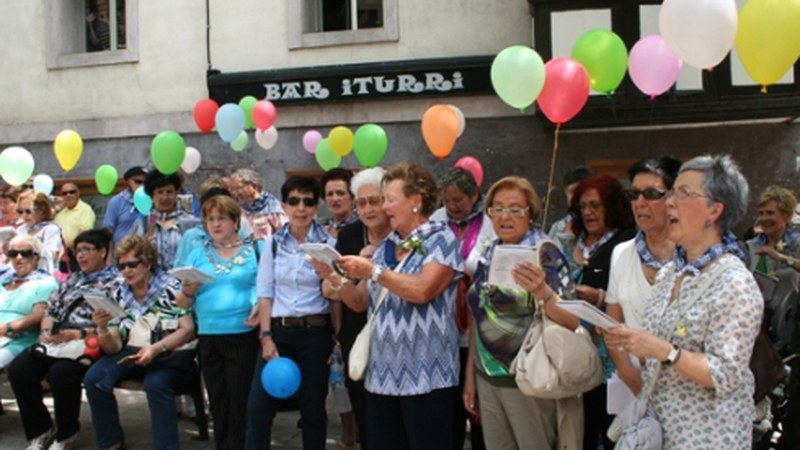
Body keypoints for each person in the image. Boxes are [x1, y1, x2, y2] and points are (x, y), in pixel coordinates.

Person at [605, 155, 762, 449]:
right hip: (662, 434)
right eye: (673, 191)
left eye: (683, 193)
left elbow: (725, 373)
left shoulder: (734, 283)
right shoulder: (670, 273)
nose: (670, 202)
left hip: (708, 437)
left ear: (714, 210)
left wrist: (663, 351)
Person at [336, 162, 463, 450]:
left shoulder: (441, 239)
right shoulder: (386, 246)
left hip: (425, 376)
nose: (384, 208)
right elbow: (360, 303)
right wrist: (334, 276)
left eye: (389, 200)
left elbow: (421, 291)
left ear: (416, 201)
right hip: (381, 377)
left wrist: (373, 271)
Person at [462, 175, 580, 450]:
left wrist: (542, 292)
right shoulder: (489, 253)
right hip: (488, 377)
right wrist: (470, 377)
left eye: (515, 209)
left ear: (531, 214)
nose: (506, 216)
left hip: (528, 379)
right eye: (498, 208)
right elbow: (478, 317)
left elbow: (572, 319)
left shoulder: (545, 253)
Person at [8, 229, 121, 450]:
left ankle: (67, 433)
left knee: (61, 372)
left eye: (87, 250)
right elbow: (52, 310)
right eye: (77, 251)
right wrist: (46, 331)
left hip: (91, 340)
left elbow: (116, 323)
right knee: (19, 369)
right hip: (59, 339)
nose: (80, 256)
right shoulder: (72, 279)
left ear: (103, 251)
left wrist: (77, 334)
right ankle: (40, 430)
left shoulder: (115, 282)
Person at [246, 175, 336, 450]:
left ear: (316, 206)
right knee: (258, 408)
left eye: (308, 202)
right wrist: (266, 337)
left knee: (312, 411)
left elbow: (336, 295)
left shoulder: (328, 244)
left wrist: (336, 338)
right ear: (284, 205)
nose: (301, 208)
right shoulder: (273, 243)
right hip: (279, 333)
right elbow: (265, 292)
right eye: (294, 201)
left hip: (316, 334)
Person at [84, 235, 196, 450]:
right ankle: (111, 442)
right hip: (133, 351)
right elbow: (114, 347)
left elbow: (187, 329)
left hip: (169, 353)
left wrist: (155, 349)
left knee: (156, 384)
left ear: (148, 263)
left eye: (132, 264)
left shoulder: (171, 287)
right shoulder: (118, 291)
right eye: (122, 266)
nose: (126, 270)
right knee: (95, 378)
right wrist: (102, 329)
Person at [315, 167, 392, 450]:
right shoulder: (349, 235)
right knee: (363, 407)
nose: (369, 209)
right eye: (362, 203)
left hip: (394, 332)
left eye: (375, 200)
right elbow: (329, 288)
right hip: (356, 329)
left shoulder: (401, 233)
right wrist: (346, 278)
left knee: (392, 413)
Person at [179, 194, 261, 450]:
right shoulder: (196, 254)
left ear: (236, 221)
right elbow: (181, 303)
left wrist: (259, 304)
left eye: (222, 218)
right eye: (210, 219)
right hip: (209, 336)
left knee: (240, 401)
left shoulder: (256, 250)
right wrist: (189, 291)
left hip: (242, 334)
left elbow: (267, 288)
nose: (215, 224)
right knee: (218, 401)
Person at [566, 174, 635, 450]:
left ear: (612, 206)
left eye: (596, 205)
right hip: (572, 353)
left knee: (607, 430)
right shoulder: (571, 242)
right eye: (583, 207)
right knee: (578, 430)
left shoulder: (625, 243)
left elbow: (628, 295)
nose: (588, 213)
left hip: (608, 357)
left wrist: (599, 297)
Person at [606, 156, 682, 396]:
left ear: (674, 198)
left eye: (650, 194)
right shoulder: (621, 254)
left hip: (683, 387)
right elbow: (613, 323)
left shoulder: (693, 257)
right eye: (634, 195)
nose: (639, 203)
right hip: (633, 383)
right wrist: (626, 371)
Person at [430, 167, 494, 450]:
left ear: (474, 195)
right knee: (450, 408)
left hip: (481, 326)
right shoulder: (435, 221)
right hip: (444, 328)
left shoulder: (491, 222)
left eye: (458, 199)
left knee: (480, 405)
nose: (453, 206)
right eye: (447, 200)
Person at [0, 235, 59, 369]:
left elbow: (38, 315)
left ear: (36, 257)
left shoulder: (45, 283)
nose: (18, 258)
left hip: (18, 340)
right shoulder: (4, 282)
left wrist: (7, 328)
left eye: (25, 253)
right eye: (13, 254)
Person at [142, 170, 194, 270]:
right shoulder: (144, 222)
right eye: (160, 192)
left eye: (169, 192)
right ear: (152, 196)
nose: (165, 197)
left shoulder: (188, 221)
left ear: (176, 194)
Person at [744, 186, 800, 276]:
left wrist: (781, 258)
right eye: (761, 213)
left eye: (770, 213)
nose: (764, 218)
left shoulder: (797, 243)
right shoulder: (751, 246)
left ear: (787, 216)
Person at [231, 168, 287, 241]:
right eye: (234, 189)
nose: (236, 193)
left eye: (239, 188)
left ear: (254, 186)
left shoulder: (274, 209)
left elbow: (285, 235)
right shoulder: (240, 211)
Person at [16, 190, 63, 275]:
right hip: (22, 275)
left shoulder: (51, 229)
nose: (24, 215)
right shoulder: (21, 230)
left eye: (28, 211)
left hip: (43, 275)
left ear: (41, 210)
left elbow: (51, 256)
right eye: (20, 211)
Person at [54, 182, 97, 273]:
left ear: (78, 193)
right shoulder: (60, 212)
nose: (68, 195)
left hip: (78, 253)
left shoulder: (85, 209)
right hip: (62, 255)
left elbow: (85, 233)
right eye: (64, 193)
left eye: (72, 192)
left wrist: (70, 248)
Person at [548, 165, 592, 250]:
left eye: (580, 191)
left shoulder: (596, 226)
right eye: (572, 192)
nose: (576, 197)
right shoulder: (557, 227)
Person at [103, 166, 147, 246]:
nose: (142, 186)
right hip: (120, 252)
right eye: (139, 182)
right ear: (129, 182)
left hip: (143, 252)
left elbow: (154, 222)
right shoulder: (117, 201)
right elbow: (108, 230)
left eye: (146, 182)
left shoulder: (152, 200)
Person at [320, 168, 359, 237]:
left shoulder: (364, 228)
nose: (335, 199)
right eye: (330, 194)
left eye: (340, 193)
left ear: (353, 197)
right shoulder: (321, 231)